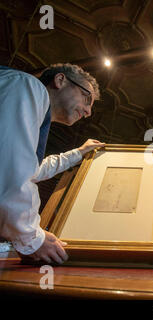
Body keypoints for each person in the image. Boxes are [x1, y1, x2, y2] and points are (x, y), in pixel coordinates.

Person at [0, 63, 105, 264]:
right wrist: (32, 238)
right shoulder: (27, 86)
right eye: (87, 98)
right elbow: (11, 171)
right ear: (60, 80)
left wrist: (79, 153)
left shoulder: (32, 108)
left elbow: (34, 170)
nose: (89, 111)